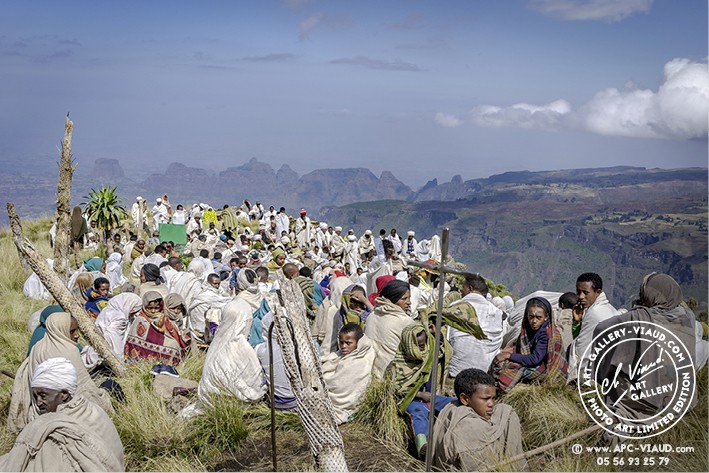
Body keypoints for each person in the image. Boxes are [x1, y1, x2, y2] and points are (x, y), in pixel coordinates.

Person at [591, 273, 698, 425]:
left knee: (619, 368)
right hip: (682, 399)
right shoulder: (686, 318)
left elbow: (602, 329)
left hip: (648, 400)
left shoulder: (638, 318)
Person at [0, 357, 125, 472]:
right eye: (35, 396)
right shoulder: (92, 409)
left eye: (43, 396)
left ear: (64, 394)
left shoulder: (56, 434)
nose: (38, 402)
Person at [7, 313, 114, 434]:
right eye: (72, 331)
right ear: (59, 330)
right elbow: (84, 388)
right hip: (69, 412)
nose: (77, 335)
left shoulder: (37, 347)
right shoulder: (69, 350)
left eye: (77, 330)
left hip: (38, 412)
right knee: (110, 386)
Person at [432, 368, 526, 472]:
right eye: (485, 399)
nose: (491, 404)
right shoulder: (471, 427)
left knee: (506, 411)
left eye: (493, 398)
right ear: (465, 399)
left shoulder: (452, 406)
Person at [387, 322, 455, 459]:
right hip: (412, 401)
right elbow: (397, 389)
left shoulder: (428, 356)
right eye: (417, 346)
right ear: (408, 346)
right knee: (419, 415)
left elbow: (441, 350)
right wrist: (419, 394)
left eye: (422, 345)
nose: (420, 349)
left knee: (451, 403)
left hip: (431, 397)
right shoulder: (400, 364)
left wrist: (436, 334)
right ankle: (423, 446)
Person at [491, 297, 568, 393]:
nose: (534, 321)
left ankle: (501, 390)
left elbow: (535, 359)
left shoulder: (546, 334)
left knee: (511, 369)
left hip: (546, 368)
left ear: (546, 317)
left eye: (538, 317)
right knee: (499, 362)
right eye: (531, 317)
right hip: (530, 360)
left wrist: (509, 356)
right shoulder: (528, 330)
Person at [448, 274, 505, 375]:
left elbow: (447, 336)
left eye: (463, 287)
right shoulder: (497, 313)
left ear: (470, 288)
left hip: (455, 371)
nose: (461, 291)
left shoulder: (456, 307)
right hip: (483, 372)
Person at [567, 273, 618, 383]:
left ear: (597, 292)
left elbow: (582, 350)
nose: (581, 297)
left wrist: (578, 380)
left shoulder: (595, 314)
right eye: (578, 292)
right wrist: (578, 322)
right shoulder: (608, 308)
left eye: (585, 293)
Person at [321, 324, 376, 424]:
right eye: (341, 342)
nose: (343, 346)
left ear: (359, 342)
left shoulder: (360, 361)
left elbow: (339, 385)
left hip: (342, 405)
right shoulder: (342, 354)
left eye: (348, 343)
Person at [365, 279, 417, 378]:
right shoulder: (405, 322)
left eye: (409, 298)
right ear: (393, 299)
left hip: (369, 373)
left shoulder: (372, 315)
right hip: (391, 377)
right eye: (404, 299)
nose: (409, 302)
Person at [124, 291, 190, 366]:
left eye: (156, 308)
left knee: (174, 345)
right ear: (145, 307)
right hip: (142, 356)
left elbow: (169, 333)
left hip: (160, 344)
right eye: (150, 308)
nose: (153, 311)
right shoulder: (140, 319)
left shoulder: (162, 318)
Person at [95, 293, 143, 360]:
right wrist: (119, 359)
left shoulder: (107, 310)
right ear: (128, 307)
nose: (132, 315)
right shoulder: (120, 318)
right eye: (133, 312)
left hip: (96, 346)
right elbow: (115, 339)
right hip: (106, 354)